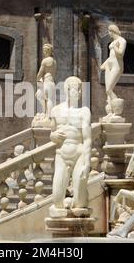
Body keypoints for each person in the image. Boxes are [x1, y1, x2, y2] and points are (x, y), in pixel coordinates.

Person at [49, 76, 91, 217]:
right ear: (67, 90)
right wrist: (53, 136)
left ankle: (79, 201)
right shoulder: (55, 111)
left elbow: (87, 139)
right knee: (57, 199)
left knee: (80, 202)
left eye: (80, 90)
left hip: (79, 153)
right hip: (61, 153)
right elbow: (52, 133)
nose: (79, 92)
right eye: (76, 89)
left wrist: (87, 164)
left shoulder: (84, 111)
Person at [100, 24, 126, 115]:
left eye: (109, 31)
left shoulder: (122, 41)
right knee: (108, 91)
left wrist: (114, 47)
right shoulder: (112, 42)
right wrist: (105, 64)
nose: (109, 33)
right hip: (109, 66)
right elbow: (111, 56)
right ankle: (110, 111)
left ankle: (117, 108)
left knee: (108, 89)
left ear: (112, 31)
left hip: (117, 66)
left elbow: (120, 54)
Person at [35, 43, 56, 119]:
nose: (44, 52)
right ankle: (46, 113)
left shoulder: (45, 61)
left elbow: (40, 73)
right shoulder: (54, 61)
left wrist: (37, 79)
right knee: (40, 96)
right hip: (51, 82)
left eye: (44, 50)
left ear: (47, 51)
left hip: (47, 82)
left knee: (47, 98)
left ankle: (48, 115)